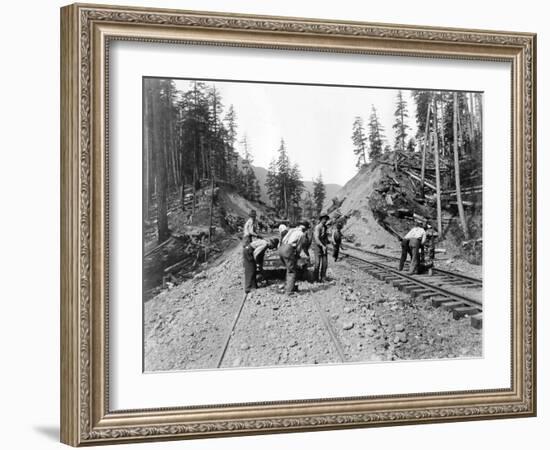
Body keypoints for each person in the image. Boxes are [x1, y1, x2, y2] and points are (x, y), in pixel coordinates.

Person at [278, 222, 309, 295]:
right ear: (305, 228)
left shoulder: (292, 230)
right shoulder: (301, 234)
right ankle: (289, 291)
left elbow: (282, 240)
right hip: (288, 249)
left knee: (288, 269)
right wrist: (297, 256)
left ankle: (289, 286)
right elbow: (299, 247)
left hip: (281, 248)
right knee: (292, 271)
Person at [313, 214, 330, 282]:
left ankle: (323, 278)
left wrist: (328, 242)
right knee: (317, 263)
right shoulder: (318, 227)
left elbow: (325, 237)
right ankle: (315, 279)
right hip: (318, 247)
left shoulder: (325, 227)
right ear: (321, 219)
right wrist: (322, 246)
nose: (325, 220)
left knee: (325, 263)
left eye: (326, 219)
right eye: (324, 219)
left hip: (324, 246)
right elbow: (316, 238)